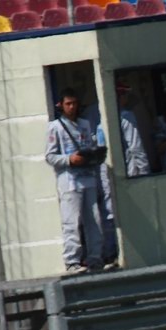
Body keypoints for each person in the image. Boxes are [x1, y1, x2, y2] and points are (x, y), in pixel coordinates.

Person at [85, 83, 151, 268]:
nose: (125, 99)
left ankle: (109, 252)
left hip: (101, 169)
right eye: (123, 95)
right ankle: (120, 252)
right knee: (126, 211)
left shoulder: (93, 113)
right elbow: (136, 147)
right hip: (124, 170)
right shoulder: (125, 116)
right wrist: (145, 173)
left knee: (107, 209)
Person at [44, 87, 103, 275]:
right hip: (69, 181)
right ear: (61, 105)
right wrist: (69, 159)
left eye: (75, 103)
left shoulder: (85, 124)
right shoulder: (55, 127)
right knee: (71, 221)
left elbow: (92, 146)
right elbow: (50, 156)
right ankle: (72, 261)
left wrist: (94, 155)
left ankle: (95, 258)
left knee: (94, 220)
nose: (72, 107)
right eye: (68, 104)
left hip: (88, 179)